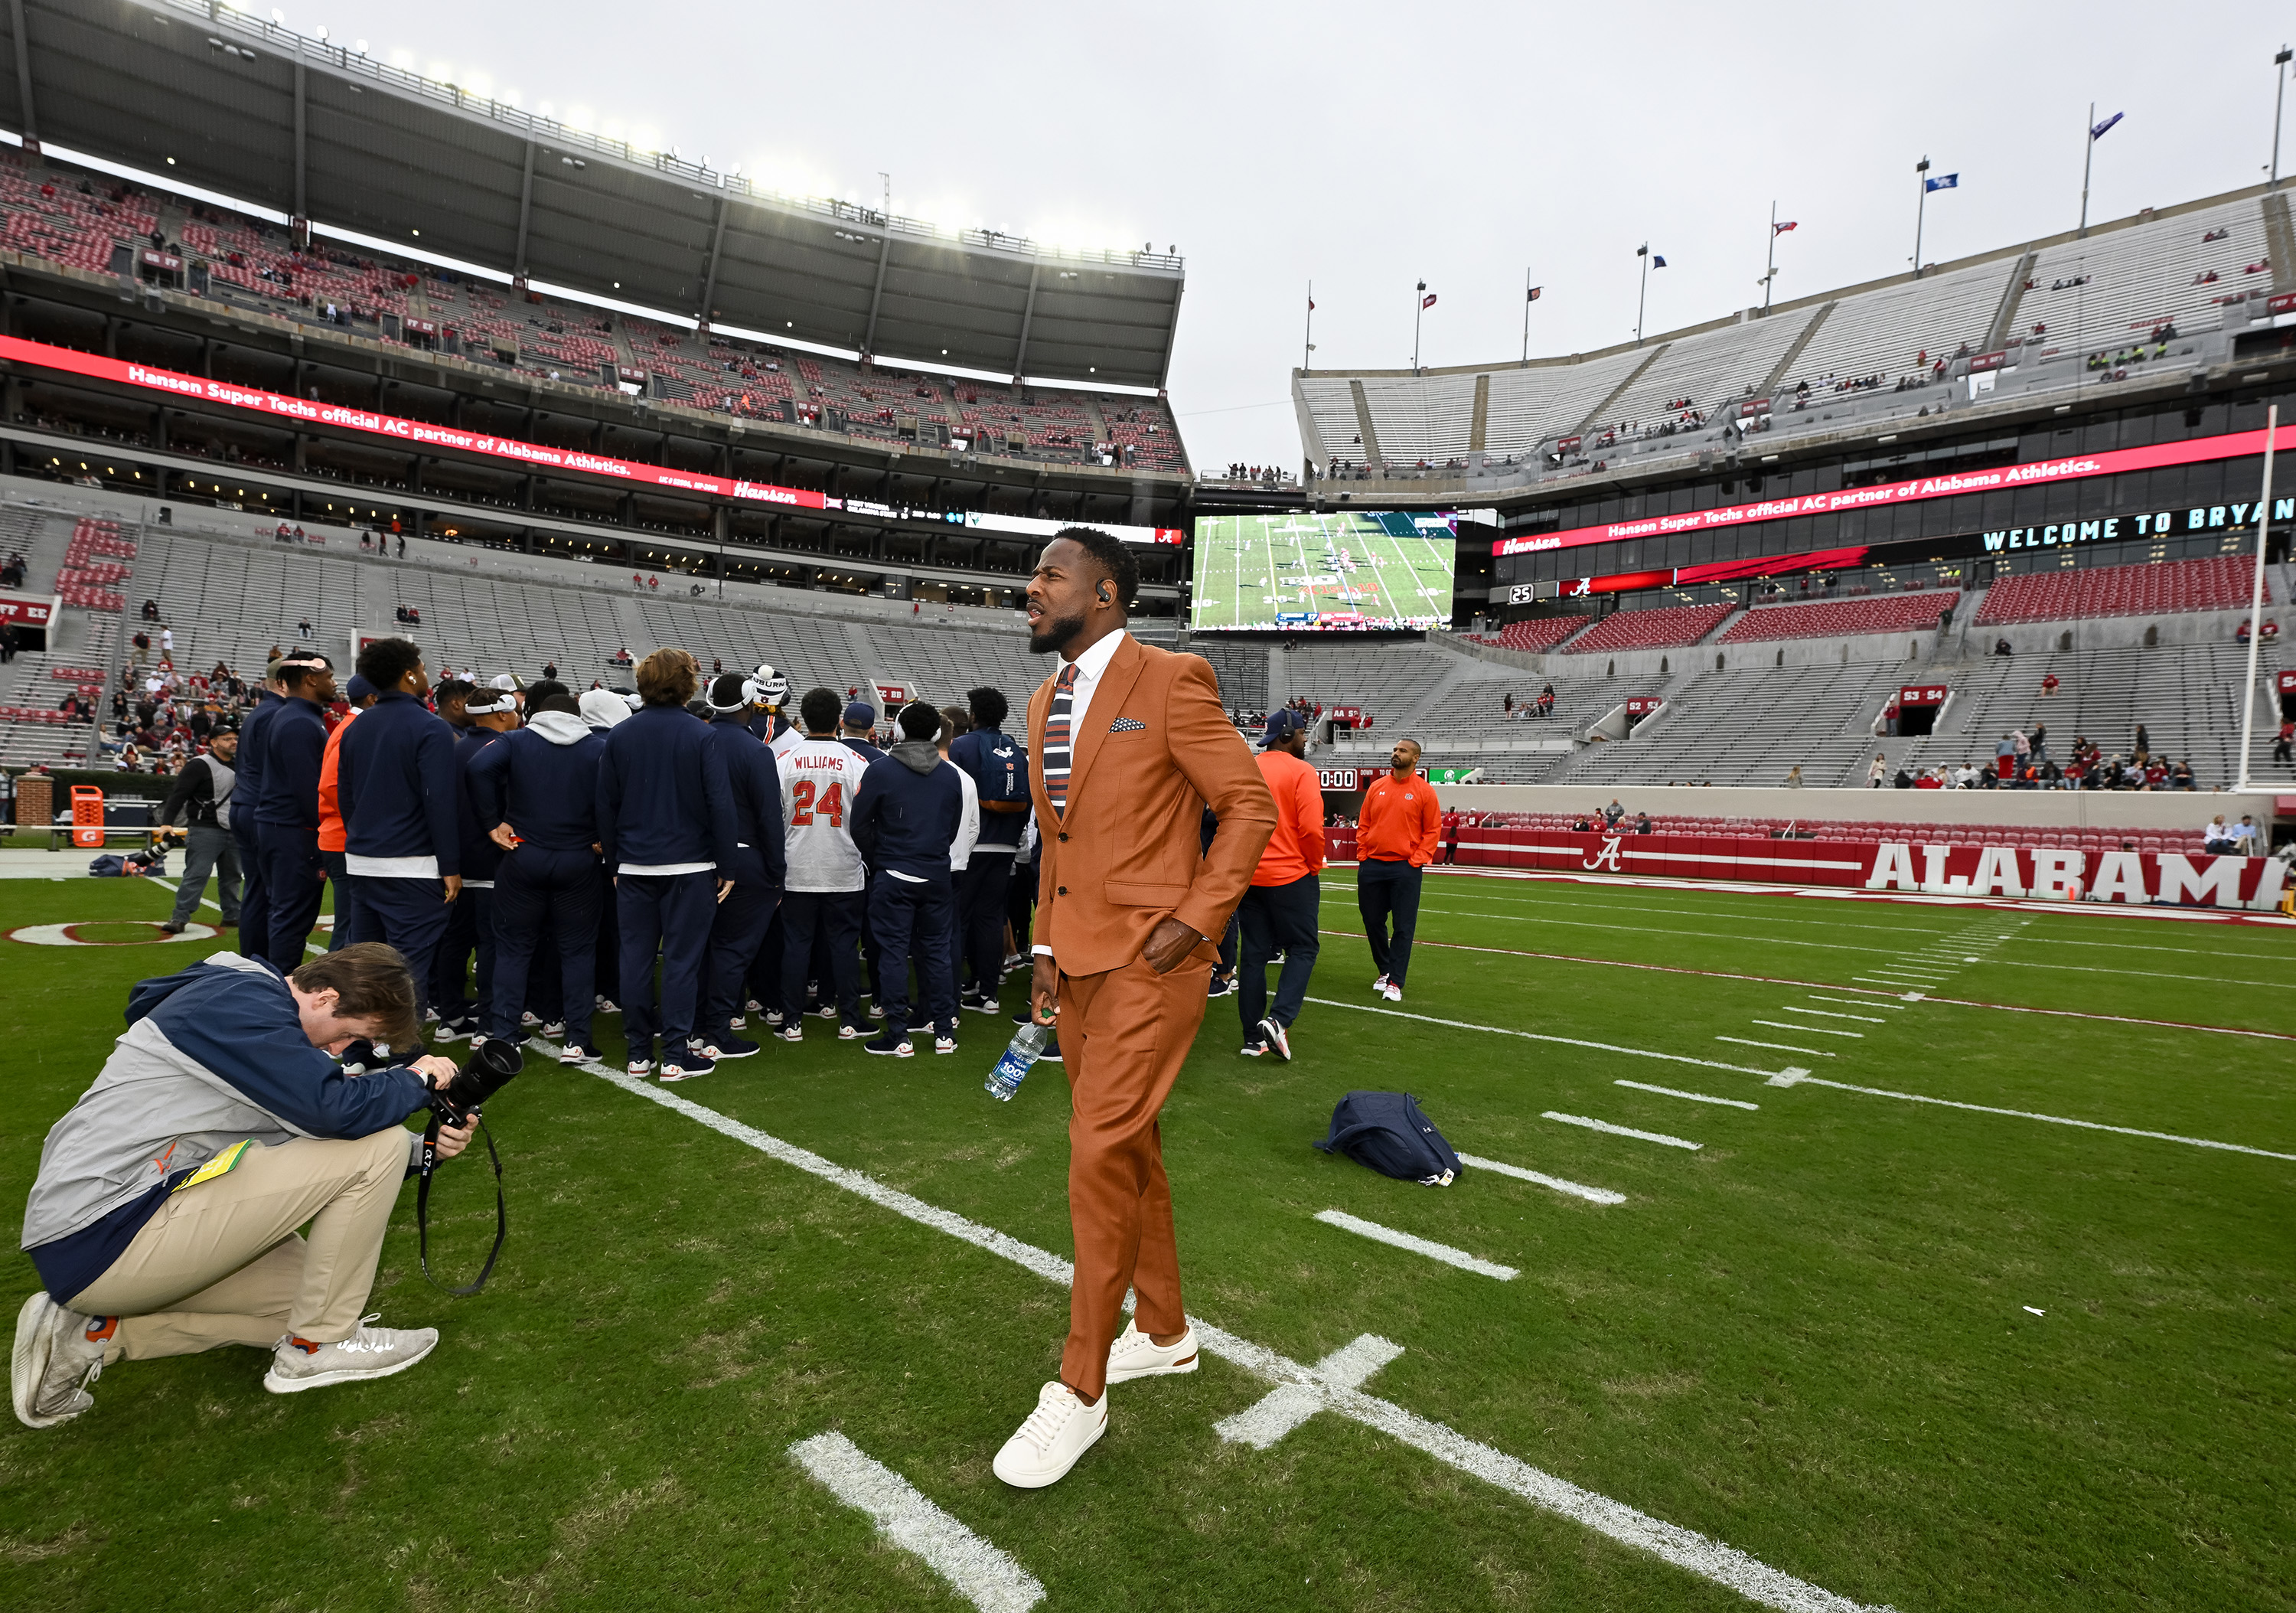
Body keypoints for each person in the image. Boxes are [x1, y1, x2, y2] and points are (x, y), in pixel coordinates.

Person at [993, 527, 1274, 1491]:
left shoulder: (1173, 678)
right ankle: (1163, 1331)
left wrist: (1197, 921)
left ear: (1105, 594)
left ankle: (1079, 1387)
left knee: (1097, 1153)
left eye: (1049, 575)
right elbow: (1060, 847)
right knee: (1131, 1147)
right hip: (1073, 965)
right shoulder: (1042, 700)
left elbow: (1249, 805)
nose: (1030, 588)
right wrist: (1041, 949)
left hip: (1154, 966)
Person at [11, 946, 478, 1427]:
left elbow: (321, 1142)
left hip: (115, 1228)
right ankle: (316, 1349)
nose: (340, 1051)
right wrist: (414, 1078)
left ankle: (94, 1334)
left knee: (309, 1301)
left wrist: (427, 1149)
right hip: (105, 1235)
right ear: (325, 998)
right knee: (376, 1145)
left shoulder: (246, 1006)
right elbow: (335, 1113)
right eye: (349, 1036)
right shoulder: (240, 1005)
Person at [597, 648, 737, 1082]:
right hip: (689, 866)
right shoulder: (701, 735)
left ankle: (640, 1052)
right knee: (680, 962)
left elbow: (606, 804)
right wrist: (728, 863)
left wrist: (617, 862)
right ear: (687, 683)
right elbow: (720, 803)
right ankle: (675, 1054)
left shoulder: (621, 734)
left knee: (636, 960)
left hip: (637, 865)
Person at [469, 681, 610, 1064]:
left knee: (514, 950)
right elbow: (615, 795)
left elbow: (477, 766)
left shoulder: (515, 743)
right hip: (578, 858)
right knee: (578, 953)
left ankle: (505, 1035)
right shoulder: (597, 748)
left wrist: (491, 822)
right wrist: (603, 835)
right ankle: (577, 1039)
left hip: (524, 854)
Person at [337, 638, 463, 1030]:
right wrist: (451, 865)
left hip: (362, 862)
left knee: (367, 966)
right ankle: (404, 1058)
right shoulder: (431, 728)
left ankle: (360, 1050)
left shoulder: (357, 726)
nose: (426, 673)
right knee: (407, 970)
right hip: (412, 865)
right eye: (422, 667)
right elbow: (439, 802)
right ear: (409, 674)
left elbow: (346, 796)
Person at [850, 701, 967, 1057]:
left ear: (897, 731)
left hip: (895, 873)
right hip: (934, 874)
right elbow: (951, 827)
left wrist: (881, 860)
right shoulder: (950, 775)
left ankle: (899, 1033)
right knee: (936, 954)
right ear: (936, 734)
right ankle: (944, 1031)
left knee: (893, 954)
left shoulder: (881, 770)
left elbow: (859, 826)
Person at [693, 673, 787, 1064]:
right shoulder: (754, 751)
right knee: (731, 952)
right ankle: (716, 1031)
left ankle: (696, 1026)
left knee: (698, 951)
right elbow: (769, 817)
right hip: (745, 861)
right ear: (751, 704)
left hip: (693, 860)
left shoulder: (694, 741)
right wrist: (777, 871)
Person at [774, 688, 872, 1042]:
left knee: (796, 945)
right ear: (839, 721)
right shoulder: (857, 763)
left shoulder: (784, 759)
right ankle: (848, 1019)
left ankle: (791, 1020)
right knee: (844, 945)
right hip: (843, 866)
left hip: (796, 865)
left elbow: (773, 819)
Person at [429, 690, 520, 1041]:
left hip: (454, 861)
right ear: (502, 714)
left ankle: (449, 1016)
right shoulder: (505, 750)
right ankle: (489, 1023)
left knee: (454, 940)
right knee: (492, 943)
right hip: (494, 859)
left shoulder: (453, 748)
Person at [1238, 708, 1324, 1060]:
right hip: (1291, 876)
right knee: (1303, 948)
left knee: (1254, 956)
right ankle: (1279, 1019)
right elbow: (1312, 830)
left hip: (1249, 876)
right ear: (1287, 735)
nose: (1306, 739)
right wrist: (1313, 866)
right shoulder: (1302, 770)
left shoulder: (1248, 767)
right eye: (1303, 733)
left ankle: (1251, 1038)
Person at [253, 655, 338, 970]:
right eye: (329, 675)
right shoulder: (300, 722)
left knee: (286, 914)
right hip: (292, 831)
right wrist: (325, 827)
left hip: (281, 827)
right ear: (310, 680)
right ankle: (280, 993)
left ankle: (275, 986)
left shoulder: (294, 716)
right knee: (292, 917)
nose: (334, 682)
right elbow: (308, 789)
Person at [948, 686, 1028, 1014]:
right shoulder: (1013, 748)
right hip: (1005, 844)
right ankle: (988, 992)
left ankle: (950, 993)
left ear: (974, 715)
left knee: (960, 919)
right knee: (992, 918)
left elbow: (950, 791)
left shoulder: (962, 746)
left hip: (970, 844)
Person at [1356, 739, 1440, 1004]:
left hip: (1405, 867)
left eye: (1402, 751)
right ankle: (1384, 969)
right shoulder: (1377, 787)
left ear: (1415, 758)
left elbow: (1432, 830)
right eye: (1395, 750)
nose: (1396, 753)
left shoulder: (1425, 792)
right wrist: (1363, 855)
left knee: (1403, 926)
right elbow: (1364, 823)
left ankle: (1395, 982)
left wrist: (1417, 860)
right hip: (1373, 865)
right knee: (1372, 921)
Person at [157, 727, 243, 934]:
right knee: (196, 874)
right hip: (205, 829)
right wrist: (167, 823)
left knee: (233, 876)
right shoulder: (199, 765)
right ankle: (180, 917)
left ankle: (232, 915)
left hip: (234, 829)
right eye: (227, 739)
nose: (233, 742)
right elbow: (179, 794)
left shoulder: (241, 765)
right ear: (213, 742)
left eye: (235, 739)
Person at [315, 675, 378, 952]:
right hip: (344, 837)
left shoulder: (349, 726)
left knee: (354, 924)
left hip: (341, 834)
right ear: (373, 699)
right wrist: (363, 822)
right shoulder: (355, 728)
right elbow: (330, 785)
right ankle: (332, 987)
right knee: (350, 925)